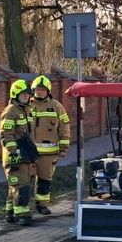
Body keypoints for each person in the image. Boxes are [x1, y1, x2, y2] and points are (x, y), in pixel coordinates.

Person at [29, 74, 71, 214]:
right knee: (23, 181)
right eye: (37, 89)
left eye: (42, 89)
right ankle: (18, 208)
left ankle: (42, 205)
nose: (39, 92)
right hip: (28, 151)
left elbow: (64, 127)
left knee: (45, 180)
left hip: (48, 153)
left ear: (48, 91)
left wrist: (64, 148)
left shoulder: (57, 106)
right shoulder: (27, 105)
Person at [0, 79, 36, 226]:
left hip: (25, 154)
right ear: (15, 94)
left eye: (28, 95)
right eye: (23, 95)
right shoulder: (10, 111)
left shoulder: (26, 110)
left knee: (15, 185)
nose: (26, 97)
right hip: (15, 155)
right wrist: (13, 153)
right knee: (21, 185)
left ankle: (10, 213)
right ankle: (22, 215)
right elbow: (6, 134)